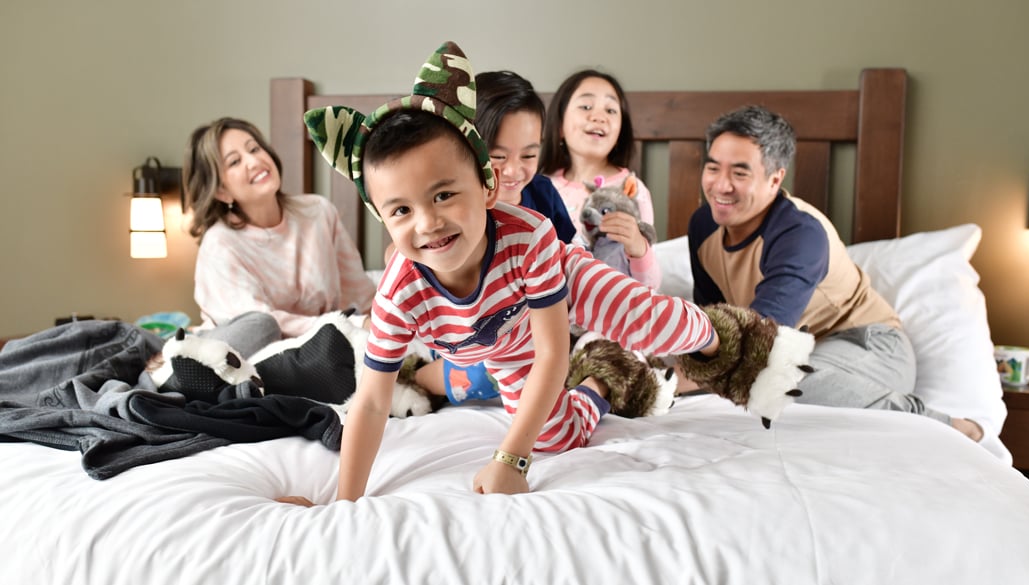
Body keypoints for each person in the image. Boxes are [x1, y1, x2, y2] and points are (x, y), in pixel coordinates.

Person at [284, 42, 726, 503]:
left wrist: (510, 458)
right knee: (556, 438)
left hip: (564, 280)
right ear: (382, 218)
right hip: (504, 340)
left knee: (651, 322)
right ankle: (603, 379)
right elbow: (373, 402)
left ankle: (723, 337)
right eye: (401, 209)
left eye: (443, 196)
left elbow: (553, 352)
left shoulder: (530, 233)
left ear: (486, 187)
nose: (428, 223)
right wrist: (343, 501)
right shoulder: (399, 294)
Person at [686, 105, 983, 441]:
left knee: (774, 379)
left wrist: (687, 376)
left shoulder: (800, 233)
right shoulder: (704, 223)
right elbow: (710, 321)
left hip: (867, 345)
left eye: (739, 174)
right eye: (713, 168)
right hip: (790, 352)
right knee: (737, 388)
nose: (720, 186)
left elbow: (758, 340)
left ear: (775, 179)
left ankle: (944, 425)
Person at [410, 70, 576, 404]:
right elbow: (403, 259)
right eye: (498, 156)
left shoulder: (542, 194)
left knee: (575, 353)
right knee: (481, 372)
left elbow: (570, 261)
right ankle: (415, 377)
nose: (513, 171)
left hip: (536, 330)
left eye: (529, 155)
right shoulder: (455, 205)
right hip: (464, 339)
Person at [183, 117, 376, 358]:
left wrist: (386, 326)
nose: (254, 161)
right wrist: (352, 325)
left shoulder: (318, 212)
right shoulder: (220, 244)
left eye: (254, 148)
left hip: (319, 349)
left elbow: (359, 290)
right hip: (243, 355)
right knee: (263, 327)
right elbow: (259, 326)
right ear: (221, 191)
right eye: (235, 162)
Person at [541, 70, 661, 289]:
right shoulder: (541, 187)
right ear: (559, 125)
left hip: (613, 310)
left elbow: (649, 286)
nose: (599, 116)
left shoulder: (631, 190)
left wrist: (638, 246)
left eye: (611, 110)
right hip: (553, 310)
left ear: (620, 131)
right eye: (586, 106)